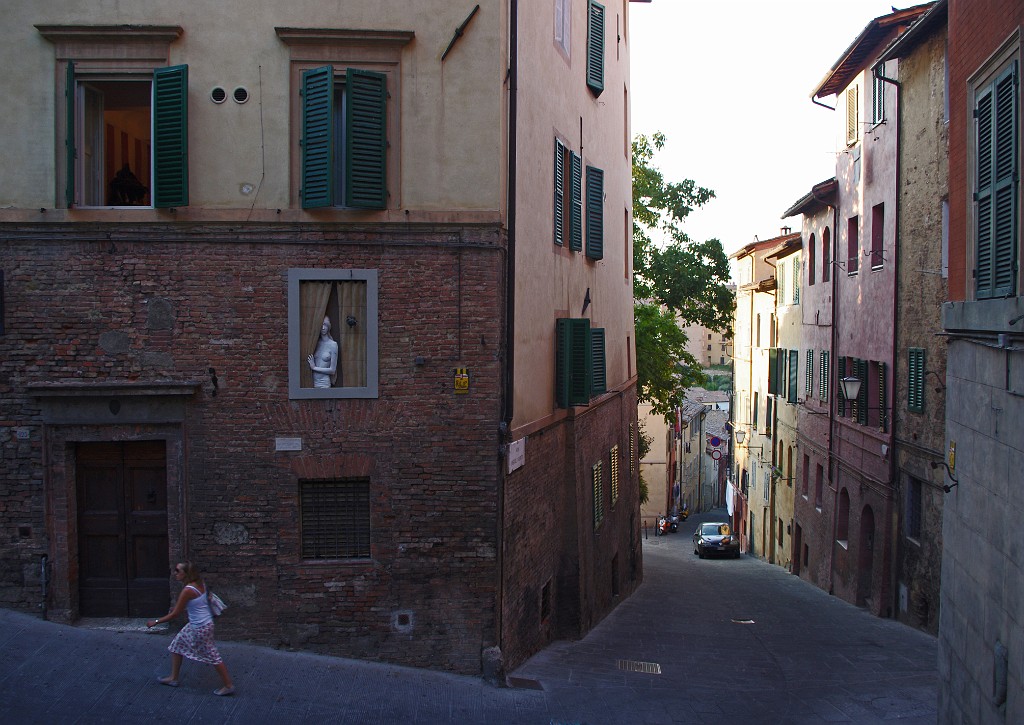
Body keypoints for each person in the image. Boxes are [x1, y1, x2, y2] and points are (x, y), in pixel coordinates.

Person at [146, 561, 235, 696]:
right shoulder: (200, 583)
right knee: (176, 646)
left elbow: (175, 613)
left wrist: (156, 621)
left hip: (200, 627)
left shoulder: (188, 590)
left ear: (186, 574)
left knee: (213, 655)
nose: (174, 573)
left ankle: (228, 685)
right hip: (201, 624)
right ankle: (173, 678)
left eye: (177, 571)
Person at [306, 316, 339, 388]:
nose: (323, 328)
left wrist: (314, 368)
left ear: (329, 327)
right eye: (321, 325)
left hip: (324, 383)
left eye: (325, 325)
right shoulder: (315, 344)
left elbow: (332, 370)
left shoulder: (333, 345)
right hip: (312, 382)